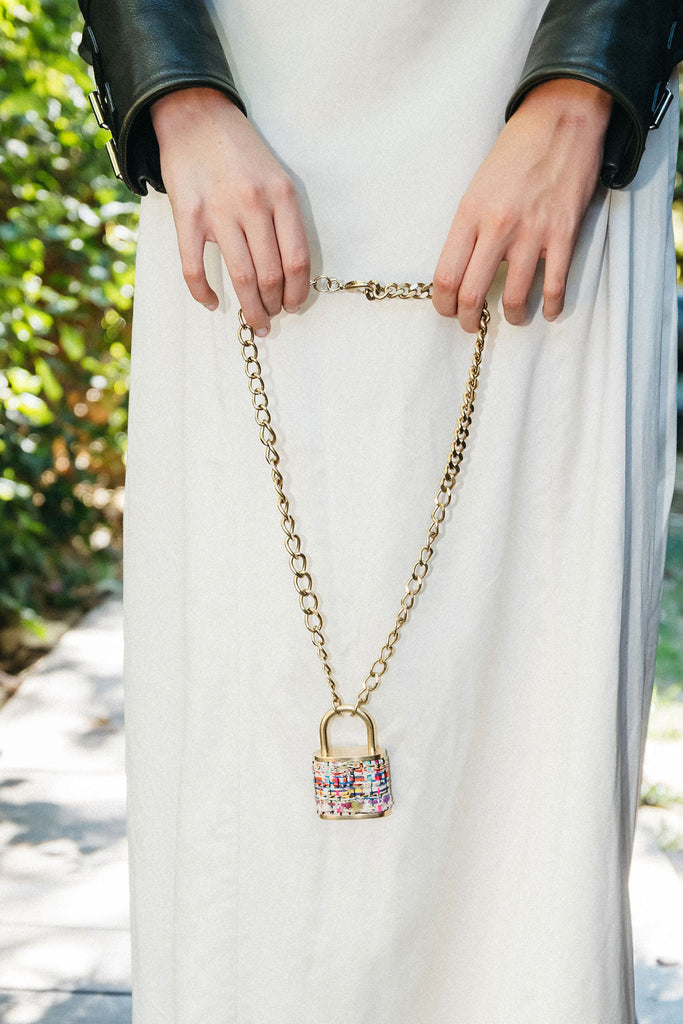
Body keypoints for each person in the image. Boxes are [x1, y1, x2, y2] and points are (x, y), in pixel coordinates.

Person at [77, 1, 682, 1022]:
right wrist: (173, 92)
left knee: (537, 798)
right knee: (238, 818)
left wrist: (585, 86)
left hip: (558, 120)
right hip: (236, 116)